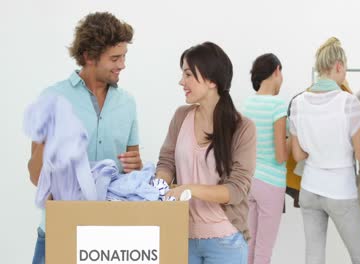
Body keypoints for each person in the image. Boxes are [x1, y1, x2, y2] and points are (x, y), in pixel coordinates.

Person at [27, 12, 142, 264]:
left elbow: (134, 171)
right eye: (115, 58)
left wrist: (136, 166)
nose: (122, 64)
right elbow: (36, 176)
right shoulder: (53, 98)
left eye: (124, 56)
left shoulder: (128, 103)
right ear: (89, 56)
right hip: (60, 230)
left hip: (112, 236)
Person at [156, 41, 256, 264]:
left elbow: (236, 190)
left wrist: (189, 189)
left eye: (189, 74)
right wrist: (160, 186)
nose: (182, 82)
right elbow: (166, 162)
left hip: (225, 241)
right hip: (182, 236)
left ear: (211, 80)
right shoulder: (181, 116)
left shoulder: (242, 128)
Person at [289, 37, 360, 264]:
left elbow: (298, 155)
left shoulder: (298, 103)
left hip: (309, 190)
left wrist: (317, 148)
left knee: (313, 257)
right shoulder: (348, 102)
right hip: (340, 192)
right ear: (338, 66)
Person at [242, 53, 288, 264]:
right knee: (264, 250)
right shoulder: (278, 106)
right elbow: (280, 156)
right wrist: (294, 141)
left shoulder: (247, 105)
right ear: (277, 70)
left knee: (249, 244)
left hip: (249, 182)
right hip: (271, 184)